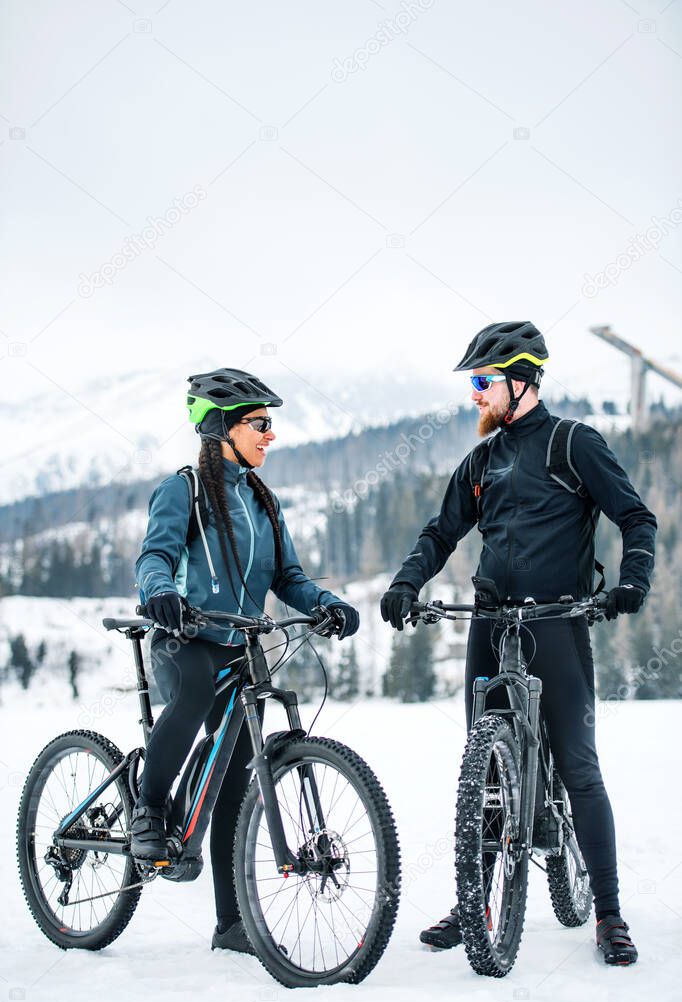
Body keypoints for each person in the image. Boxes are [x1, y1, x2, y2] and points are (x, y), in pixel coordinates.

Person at [380, 322, 656, 967]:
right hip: (490, 621)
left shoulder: (572, 443)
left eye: (483, 381)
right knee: (486, 774)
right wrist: (405, 582)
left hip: (556, 622)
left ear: (522, 379)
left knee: (580, 769)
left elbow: (635, 516)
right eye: (472, 383)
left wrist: (633, 581)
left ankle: (609, 913)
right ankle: (475, 901)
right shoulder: (480, 460)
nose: (475, 394)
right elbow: (440, 532)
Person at [134, 368, 360, 953]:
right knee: (189, 698)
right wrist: (161, 594)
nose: (270, 436)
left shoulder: (263, 499)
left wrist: (327, 603)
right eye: (260, 424)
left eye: (269, 425)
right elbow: (155, 555)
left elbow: (289, 578)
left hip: (241, 646)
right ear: (222, 428)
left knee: (235, 780)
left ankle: (230, 925)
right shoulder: (182, 489)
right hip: (184, 639)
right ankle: (149, 810)